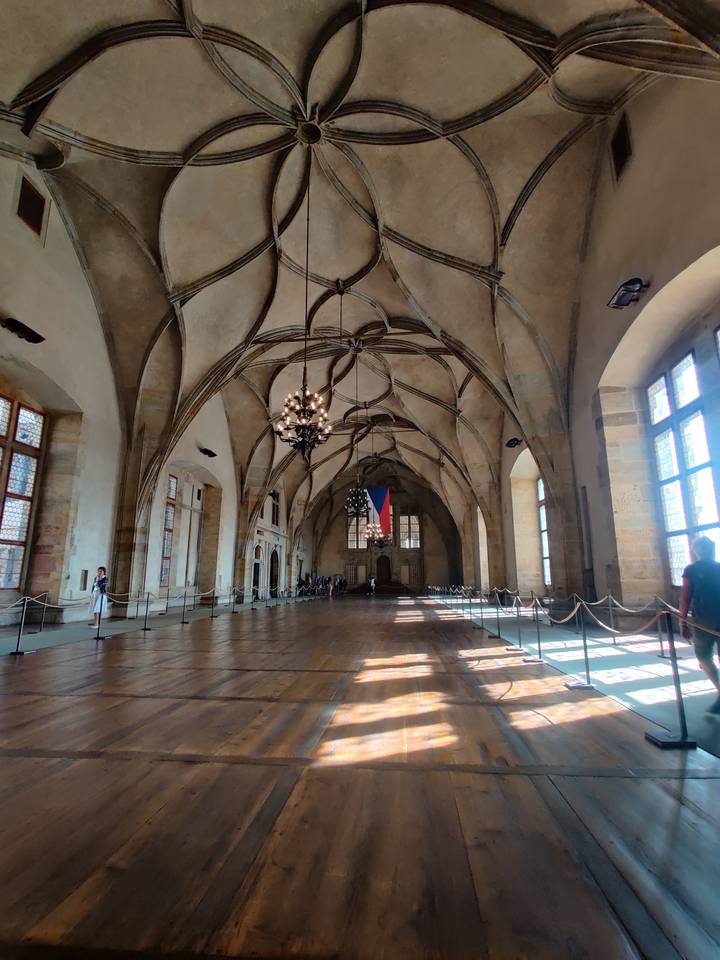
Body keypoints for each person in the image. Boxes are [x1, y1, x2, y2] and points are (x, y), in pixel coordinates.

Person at [679, 536, 720, 715]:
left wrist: (682, 622)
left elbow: (685, 597)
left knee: (703, 656)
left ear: (696, 551)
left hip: (703, 619)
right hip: (709, 618)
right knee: (705, 656)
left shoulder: (692, 569)